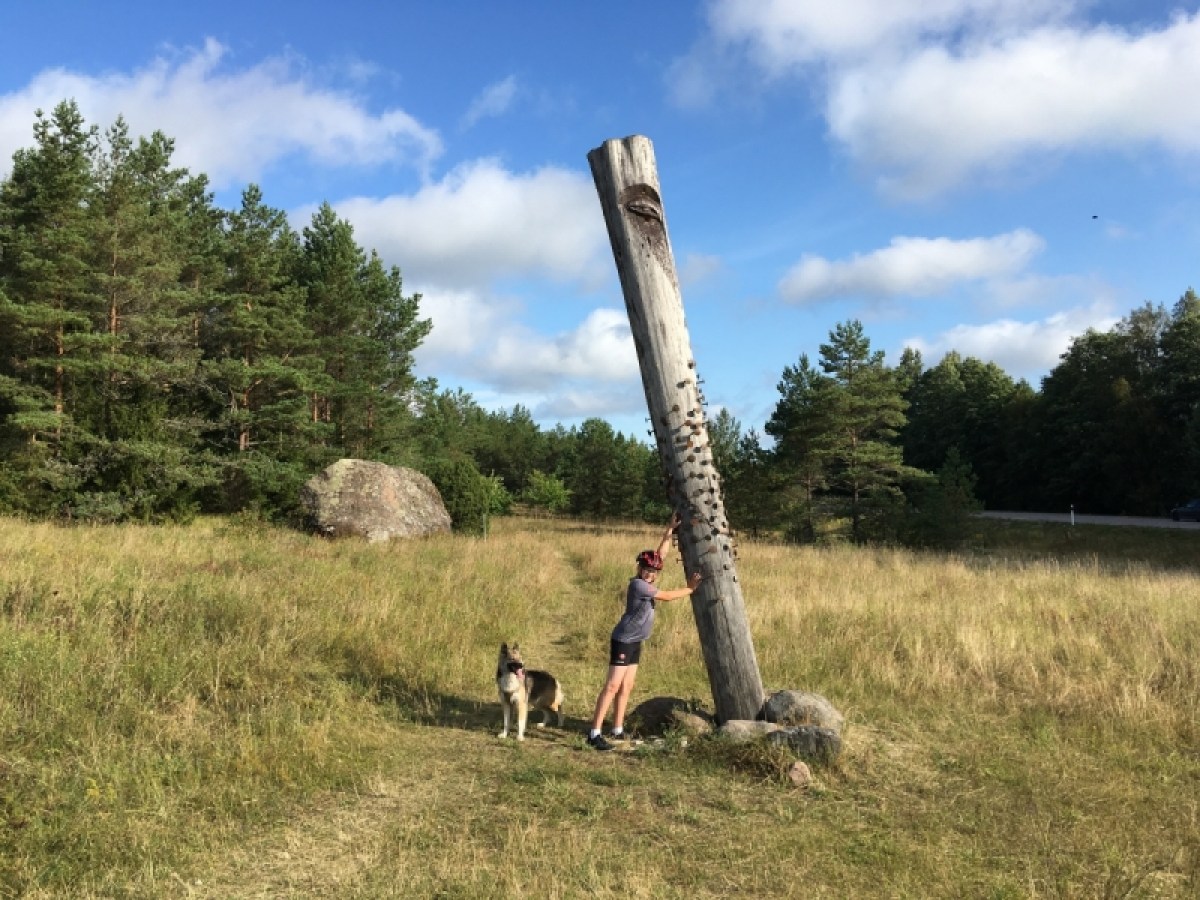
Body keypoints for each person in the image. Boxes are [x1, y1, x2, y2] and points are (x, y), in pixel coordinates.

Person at [586, 512, 702, 751]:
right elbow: (668, 597)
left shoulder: (649, 579)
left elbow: (661, 555)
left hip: (637, 640)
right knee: (612, 686)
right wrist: (690, 589)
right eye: (647, 569)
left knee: (627, 687)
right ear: (639, 568)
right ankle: (594, 733)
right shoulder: (638, 585)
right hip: (624, 640)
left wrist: (669, 531)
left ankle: (617, 729)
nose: (650, 573)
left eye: (654, 571)